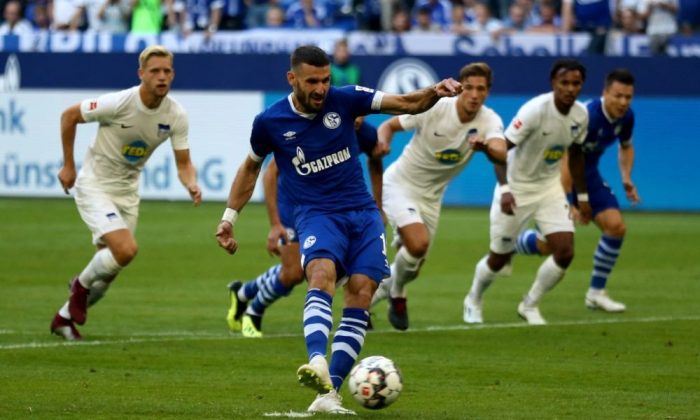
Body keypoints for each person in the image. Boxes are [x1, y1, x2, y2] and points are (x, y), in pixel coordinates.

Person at [215, 45, 461, 414]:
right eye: (312, 81)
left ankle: (328, 394)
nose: (320, 89)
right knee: (320, 274)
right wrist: (229, 218)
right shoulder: (270, 122)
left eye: (326, 80)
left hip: (362, 214)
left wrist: (434, 92)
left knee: (361, 292)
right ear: (292, 78)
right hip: (317, 214)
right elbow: (251, 168)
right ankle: (316, 360)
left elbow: (406, 103)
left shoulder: (345, 99)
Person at [50, 45, 202, 341]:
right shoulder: (119, 102)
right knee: (126, 250)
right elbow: (69, 116)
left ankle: (63, 318)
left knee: (108, 272)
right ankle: (79, 286)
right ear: (141, 74)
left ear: (173, 75)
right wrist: (68, 165)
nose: (161, 77)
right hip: (95, 184)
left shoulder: (176, 115)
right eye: (155, 71)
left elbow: (184, 164)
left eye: (167, 71)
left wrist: (191, 183)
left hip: (128, 192)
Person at [369, 62, 507, 331]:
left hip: (432, 198)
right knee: (418, 243)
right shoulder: (437, 107)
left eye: (481, 89)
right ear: (460, 88)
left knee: (414, 265)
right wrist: (382, 143)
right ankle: (393, 294)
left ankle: (379, 296)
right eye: (469, 88)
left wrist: (487, 148)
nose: (474, 95)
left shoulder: (488, 120)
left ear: (488, 92)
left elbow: (501, 152)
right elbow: (389, 125)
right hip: (400, 185)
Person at [226, 119, 384, 338]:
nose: (357, 119)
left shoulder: (365, 133)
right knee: (293, 273)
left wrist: (378, 205)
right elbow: (270, 173)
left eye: (361, 114)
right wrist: (275, 224)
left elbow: (376, 160)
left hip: (327, 210)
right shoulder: (315, 127)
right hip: (293, 204)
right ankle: (254, 312)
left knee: (315, 267)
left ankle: (244, 292)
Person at [463, 59, 589, 326]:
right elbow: (501, 150)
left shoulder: (581, 115)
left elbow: (576, 155)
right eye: (564, 82)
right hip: (516, 188)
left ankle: (529, 304)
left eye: (576, 83)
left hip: (549, 188)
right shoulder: (534, 111)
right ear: (553, 83)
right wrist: (505, 189)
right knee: (498, 259)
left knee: (565, 251)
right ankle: (473, 298)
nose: (570, 88)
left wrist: (582, 197)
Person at [516, 69, 639, 313]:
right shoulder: (588, 116)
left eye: (628, 97)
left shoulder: (627, 117)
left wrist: (626, 178)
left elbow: (626, 146)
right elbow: (566, 157)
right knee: (548, 246)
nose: (623, 102)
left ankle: (596, 294)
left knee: (616, 227)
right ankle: (509, 244)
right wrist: (570, 200)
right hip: (556, 176)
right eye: (618, 96)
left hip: (588, 175)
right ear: (605, 93)